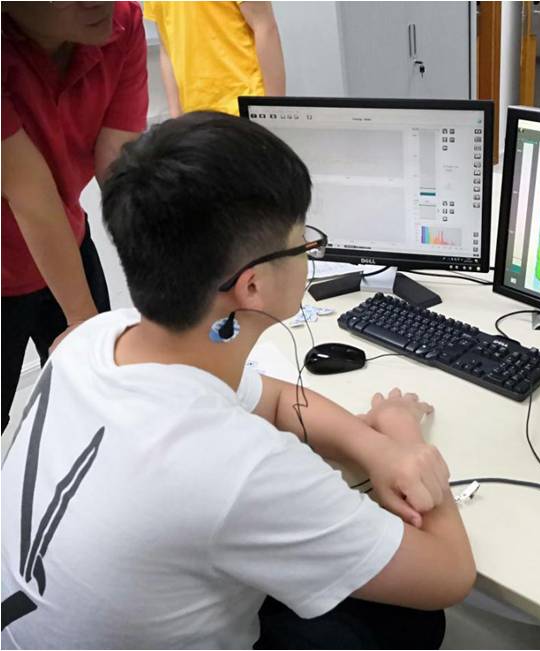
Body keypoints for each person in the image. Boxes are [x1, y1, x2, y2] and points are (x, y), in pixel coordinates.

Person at [0, 112, 475, 649]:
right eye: (302, 242)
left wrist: (375, 448)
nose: (309, 252)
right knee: (413, 622)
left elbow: (270, 399)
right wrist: (406, 440)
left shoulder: (94, 340)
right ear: (252, 286)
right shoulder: (240, 466)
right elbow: (450, 574)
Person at [1, 1, 148, 433]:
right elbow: (27, 191)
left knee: (94, 404)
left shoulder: (121, 22)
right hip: (11, 256)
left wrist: (171, 279)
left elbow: (119, 163)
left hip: (65, 239)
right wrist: (83, 323)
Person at [144, 1, 285, 117]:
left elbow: (265, 27)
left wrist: (273, 115)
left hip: (243, 110)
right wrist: (176, 118)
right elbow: (167, 47)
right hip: (194, 118)